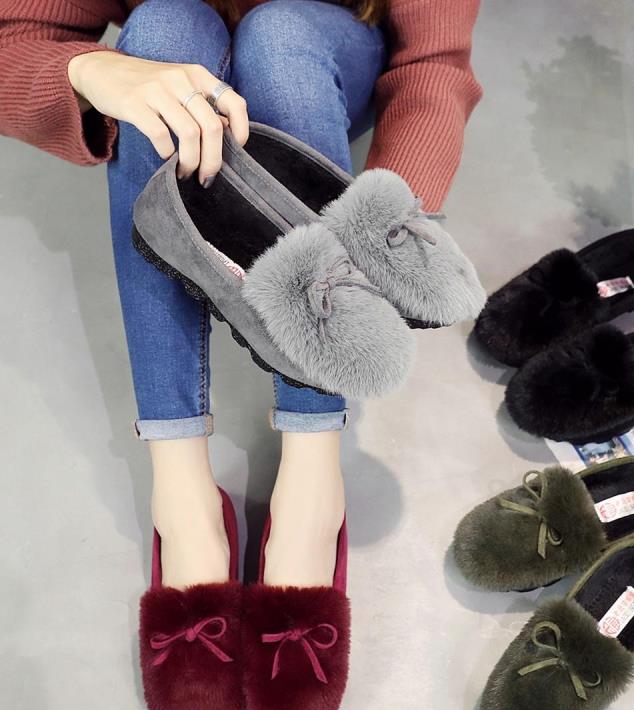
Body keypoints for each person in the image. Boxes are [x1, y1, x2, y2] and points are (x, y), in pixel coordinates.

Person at [0, 0, 482, 592]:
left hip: (314, 63)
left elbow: (434, 61)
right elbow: (14, 36)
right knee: (163, 29)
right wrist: (88, 69)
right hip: (181, 72)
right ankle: (180, 487)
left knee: (279, 35)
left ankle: (313, 465)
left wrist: (383, 221)